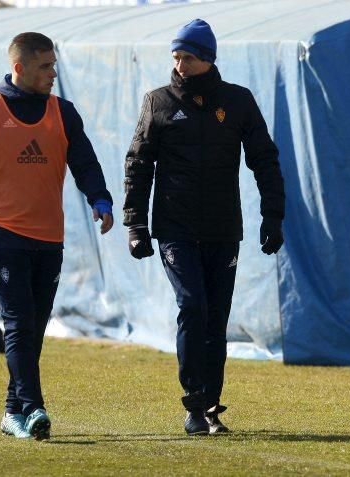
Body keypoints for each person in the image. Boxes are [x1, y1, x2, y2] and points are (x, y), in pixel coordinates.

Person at [0, 32, 113, 440]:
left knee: (35, 326)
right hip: (3, 234)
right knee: (19, 321)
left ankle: (11, 412)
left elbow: (85, 161)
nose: (54, 74)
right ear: (19, 68)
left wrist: (100, 198)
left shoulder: (63, 112)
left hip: (50, 236)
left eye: (55, 65)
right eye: (45, 66)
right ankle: (35, 407)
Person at [123, 18, 285, 436]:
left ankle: (211, 406)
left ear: (208, 59)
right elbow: (138, 165)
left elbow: (264, 160)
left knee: (216, 317)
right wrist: (135, 224)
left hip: (222, 228)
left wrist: (273, 216)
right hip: (175, 229)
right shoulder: (157, 102)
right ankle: (193, 403)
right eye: (175, 57)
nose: (179, 65)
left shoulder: (238, 101)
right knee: (192, 306)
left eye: (188, 58)